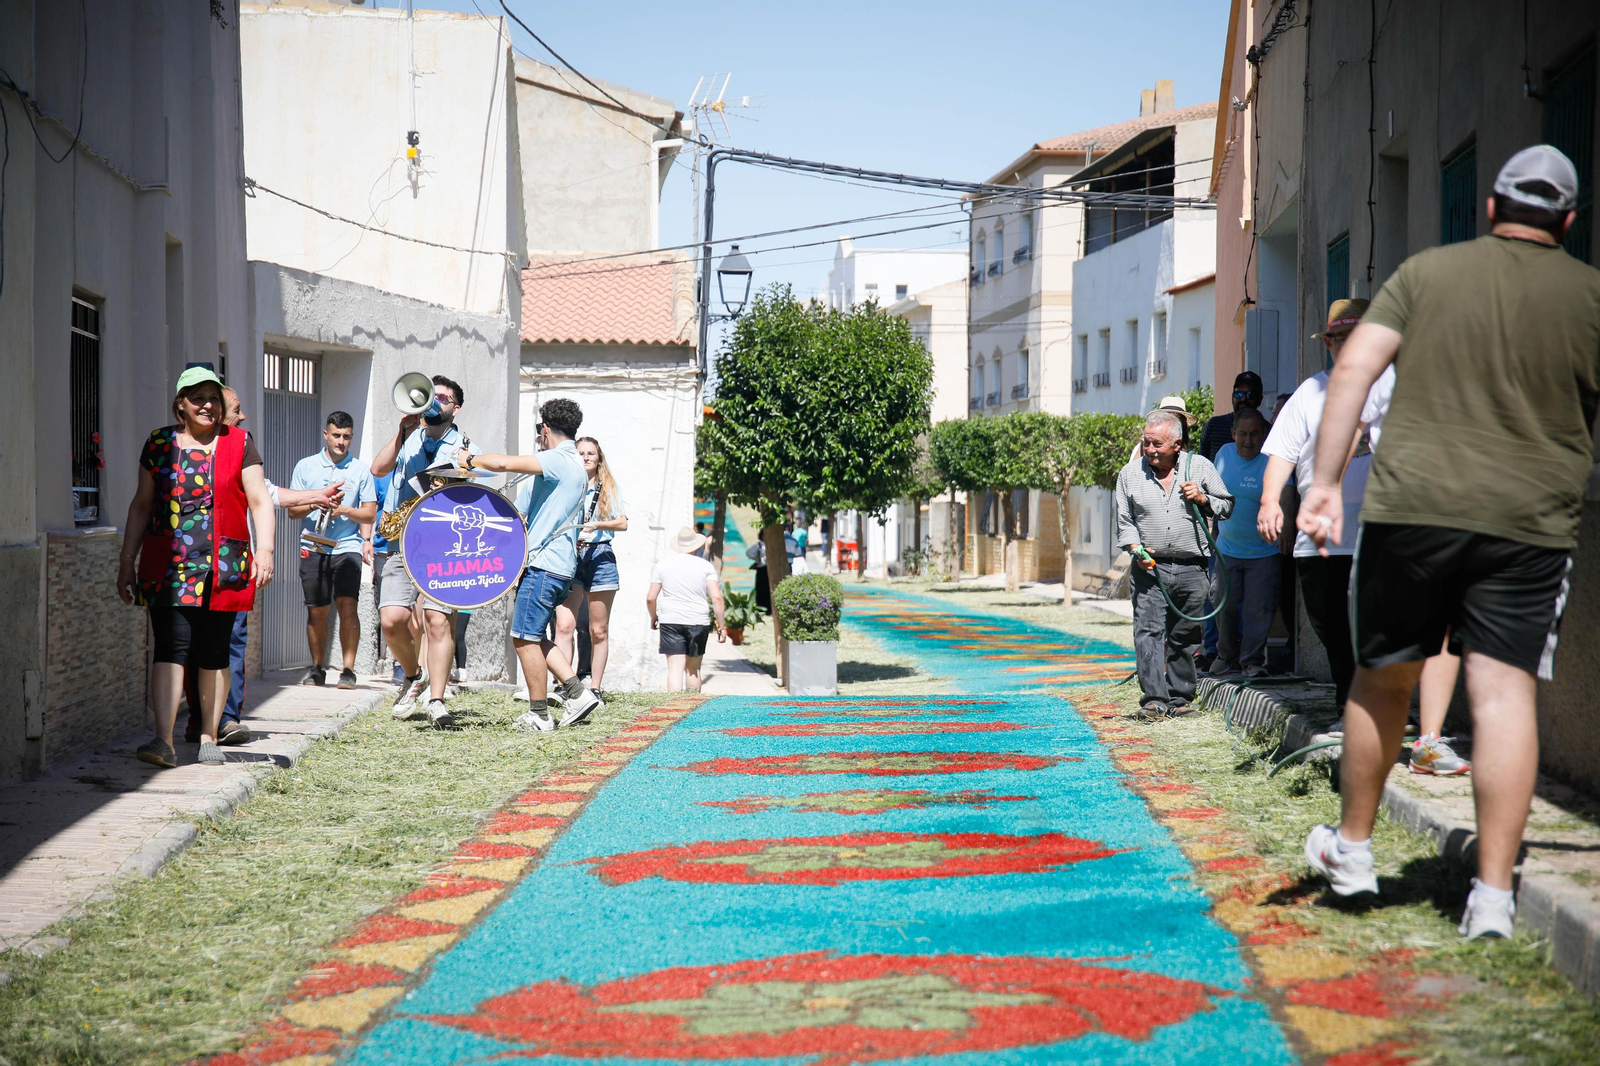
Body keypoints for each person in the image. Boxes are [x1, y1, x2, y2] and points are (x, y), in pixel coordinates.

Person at [1297, 145, 1600, 939]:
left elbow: (1356, 367)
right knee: (1503, 695)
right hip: (1530, 521)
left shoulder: (1426, 272)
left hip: (1412, 509)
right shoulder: (1590, 293)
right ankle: (1493, 901)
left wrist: (1324, 484)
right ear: (1569, 222)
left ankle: (1353, 854)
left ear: (1493, 209)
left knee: (1383, 679)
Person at [116, 366, 275, 768]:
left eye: (214, 399)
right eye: (198, 398)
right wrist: (125, 561)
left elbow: (259, 500)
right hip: (169, 566)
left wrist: (266, 550)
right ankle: (163, 739)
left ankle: (208, 736)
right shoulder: (158, 443)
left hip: (223, 565)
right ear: (180, 405)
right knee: (170, 646)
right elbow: (141, 504)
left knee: (215, 650)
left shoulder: (239, 442)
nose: (207, 405)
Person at [181, 387, 339, 745]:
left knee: (230, 642)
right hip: (192, 568)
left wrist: (315, 497)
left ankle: (226, 719)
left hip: (232, 566)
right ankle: (200, 720)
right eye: (237, 409)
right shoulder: (182, 449)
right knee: (194, 646)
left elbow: (266, 494)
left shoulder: (240, 445)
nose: (243, 415)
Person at [1256, 300, 1376, 720]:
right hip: (1320, 535)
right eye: (1339, 339)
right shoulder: (1310, 393)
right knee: (1330, 625)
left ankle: (1361, 705)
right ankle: (1351, 697)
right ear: (1328, 344)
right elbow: (1282, 456)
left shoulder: (1394, 387)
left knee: (1372, 624)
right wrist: (1271, 501)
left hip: (1379, 530)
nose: (1347, 347)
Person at [464, 398, 602, 732]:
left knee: (524, 637)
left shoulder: (558, 458)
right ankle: (577, 692)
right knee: (534, 634)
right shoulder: (575, 464)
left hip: (545, 563)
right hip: (557, 564)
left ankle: (539, 714)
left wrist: (470, 459)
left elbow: (501, 463)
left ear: (545, 429)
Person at [370, 375, 478, 728]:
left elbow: (473, 489)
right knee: (392, 620)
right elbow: (378, 469)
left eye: (443, 398)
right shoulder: (410, 436)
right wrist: (401, 432)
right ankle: (414, 675)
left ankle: (437, 700)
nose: (436, 402)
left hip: (443, 544)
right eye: (433, 395)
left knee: (437, 621)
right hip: (402, 538)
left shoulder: (464, 444)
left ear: (455, 408)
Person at [1115, 410, 1233, 719]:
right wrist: (1134, 548)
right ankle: (1154, 700)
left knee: (1185, 635)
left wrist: (1204, 499)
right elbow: (1125, 522)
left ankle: (1180, 699)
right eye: (1146, 443)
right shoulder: (1129, 474)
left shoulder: (1200, 467)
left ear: (1177, 444)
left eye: (1157, 444)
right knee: (1149, 631)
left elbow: (1227, 506)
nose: (1150, 450)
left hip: (1193, 567)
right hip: (1149, 568)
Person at [288, 411, 377, 690]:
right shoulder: (305, 466)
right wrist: (317, 502)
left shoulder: (360, 470)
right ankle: (317, 668)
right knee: (317, 611)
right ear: (325, 435)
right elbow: (292, 511)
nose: (341, 441)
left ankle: (348, 670)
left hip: (346, 547)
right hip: (313, 545)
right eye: (336, 435)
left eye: (346, 436)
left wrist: (344, 510)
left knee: (348, 605)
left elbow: (369, 515)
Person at [553, 436, 629, 699]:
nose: (585, 457)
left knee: (598, 629)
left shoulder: (607, 486)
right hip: (571, 554)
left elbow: (622, 522)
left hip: (600, 554)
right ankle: (566, 685)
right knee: (564, 625)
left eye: (591, 454)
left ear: (598, 459)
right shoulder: (566, 484)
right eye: (581, 453)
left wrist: (597, 525)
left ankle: (594, 687)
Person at [1209, 408, 1279, 677]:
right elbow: (1212, 493)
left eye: (1254, 434)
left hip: (1264, 550)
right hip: (1227, 547)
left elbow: (1285, 494)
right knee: (1222, 603)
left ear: (1263, 434)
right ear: (1232, 434)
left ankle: (1252, 662)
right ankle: (1226, 656)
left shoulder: (1272, 458)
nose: (1248, 440)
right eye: (1242, 434)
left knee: (1257, 609)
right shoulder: (1224, 454)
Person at [648, 526, 727, 691]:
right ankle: (692, 710)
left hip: (670, 620)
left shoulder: (662, 566)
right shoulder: (705, 567)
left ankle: (674, 711)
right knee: (694, 670)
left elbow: (651, 597)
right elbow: (717, 597)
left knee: (675, 669)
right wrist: (721, 625)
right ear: (696, 546)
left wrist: (654, 617)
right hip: (698, 620)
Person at [1199, 371, 1264, 461]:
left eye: (1250, 395)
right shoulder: (1214, 425)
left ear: (1260, 399)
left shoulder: (1269, 431)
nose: (1243, 399)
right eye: (1238, 394)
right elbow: (1202, 462)